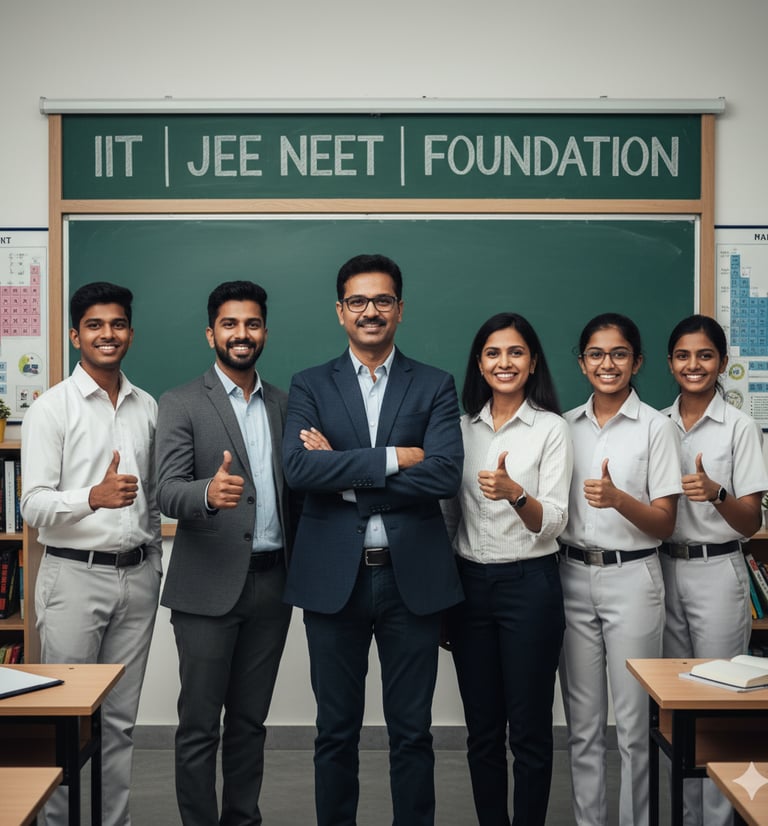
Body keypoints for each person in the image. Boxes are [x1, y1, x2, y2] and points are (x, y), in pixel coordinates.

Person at [282, 253, 464, 826]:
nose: (370, 312)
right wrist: (390, 459)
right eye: (358, 302)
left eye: (382, 300)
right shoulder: (309, 384)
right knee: (334, 731)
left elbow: (443, 475)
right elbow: (299, 471)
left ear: (400, 310)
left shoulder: (434, 384)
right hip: (333, 580)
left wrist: (345, 472)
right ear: (340, 312)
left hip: (411, 580)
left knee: (413, 732)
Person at [20, 281, 162, 826]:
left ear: (130, 331)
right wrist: (92, 498)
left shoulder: (146, 405)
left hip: (137, 578)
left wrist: (153, 560)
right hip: (74, 578)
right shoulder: (52, 409)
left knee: (120, 721)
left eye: (118, 323)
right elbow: (32, 505)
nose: (109, 334)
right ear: (76, 334)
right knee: (62, 718)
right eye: (96, 325)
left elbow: (149, 500)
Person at [156, 281, 293, 826]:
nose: (242, 334)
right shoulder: (182, 402)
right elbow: (166, 491)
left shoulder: (285, 403)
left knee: (250, 723)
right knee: (197, 725)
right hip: (205, 588)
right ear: (211, 332)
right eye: (230, 324)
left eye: (252, 323)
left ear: (264, 331)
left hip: (273, 585)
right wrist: (207, 495)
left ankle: (243, 819)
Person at [441, 312, 572, 826]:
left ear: (533, 361)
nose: (505, 362)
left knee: (532, 731)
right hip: (470, 588)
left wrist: (516, 493)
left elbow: (555, 521)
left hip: (530, 587)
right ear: (479, 363)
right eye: (494, 353)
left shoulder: (552, 429)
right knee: (482, 732)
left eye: (516, 352)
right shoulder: (459, 429)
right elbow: (448, 517)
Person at [558, 312, 682, 826]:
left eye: (619, 354)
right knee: (583, 725)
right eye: (596, 354)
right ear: (582, 362)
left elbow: (665, 524)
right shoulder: (562, 426)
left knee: (633, 725)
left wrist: (616, 499)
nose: (607, 364)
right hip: (569, 577)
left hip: (633, 578)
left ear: (637, 362)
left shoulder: (658, 428)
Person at [661, 314, 768, 826]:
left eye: (705, 355)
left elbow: (750, 520)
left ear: (722, 363)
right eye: (683, 355)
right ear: (668, 363)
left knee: (719, 704)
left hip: (716, 569)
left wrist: (716, 492)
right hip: (661, 571)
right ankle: (687, 816)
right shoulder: (656, 423)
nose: (693, 364)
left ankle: (719, 820)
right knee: (678, 708)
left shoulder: (738, 426)